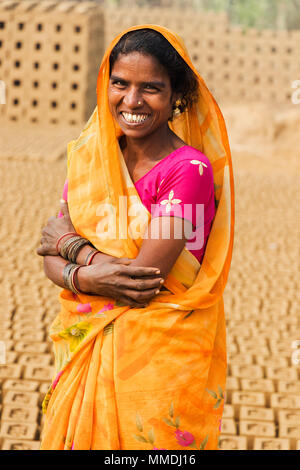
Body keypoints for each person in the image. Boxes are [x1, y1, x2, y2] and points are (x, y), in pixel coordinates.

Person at [36, 25, 234, 450]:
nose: (131, 101)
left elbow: (142, 280)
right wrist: (82, 265)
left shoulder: (189, 171)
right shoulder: (94, 161)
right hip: (86, 348)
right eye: (120, 84)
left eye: (151, 88)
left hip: (157, 364)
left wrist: (73, 250)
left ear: (176, 94)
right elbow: (46, 258)